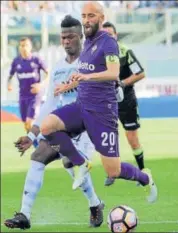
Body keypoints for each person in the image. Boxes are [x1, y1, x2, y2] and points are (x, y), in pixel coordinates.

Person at [36, 1, 157, 204]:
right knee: (47, 127)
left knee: (113, 170)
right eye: (83, 16)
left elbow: (113, 73)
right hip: (82, 106)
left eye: (91, 16)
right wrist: (67, 85)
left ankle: (146, 178)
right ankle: (81, 163)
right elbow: (82, 71)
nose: (86, 20)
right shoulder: (88, 43)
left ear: (101, 17)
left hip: (103, 113)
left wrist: (88, 77)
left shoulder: (108, 41)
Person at [4, 15, 104, 230]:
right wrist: (31, 136)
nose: (66, 41)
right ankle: (25, 214)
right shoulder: (58, 68)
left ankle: (95, 204)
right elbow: (49, 103)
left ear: (80, 37)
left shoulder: (91, 65)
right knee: (38, 155)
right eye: (63, 37)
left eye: (70, 37)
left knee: (70, 164)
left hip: (84, 129)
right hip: (60, 126)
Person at [102, 21, 148, 186]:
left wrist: (122, 83)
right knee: (109, 139)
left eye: (110, 34)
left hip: (126, 101)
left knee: (132, 139)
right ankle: (112, 172)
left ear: (116, 35)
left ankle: (142, 170)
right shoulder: (98, 54)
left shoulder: (125, 52)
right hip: (107, 102)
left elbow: (140, 73)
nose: (107, 37)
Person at [7, 37, 48, 138]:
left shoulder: (36, 59)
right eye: (21, 45)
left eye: (26, 45)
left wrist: (41, 85)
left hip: (35, 95)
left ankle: (42, 143)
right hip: (23, 96)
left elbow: (49, 73)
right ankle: (37, 141)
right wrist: (9, 84)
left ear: (30, 47)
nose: (24, 48)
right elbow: (10, 75)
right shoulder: (16, 61)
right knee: (26, 123)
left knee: (30, 122)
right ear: (19, 47)